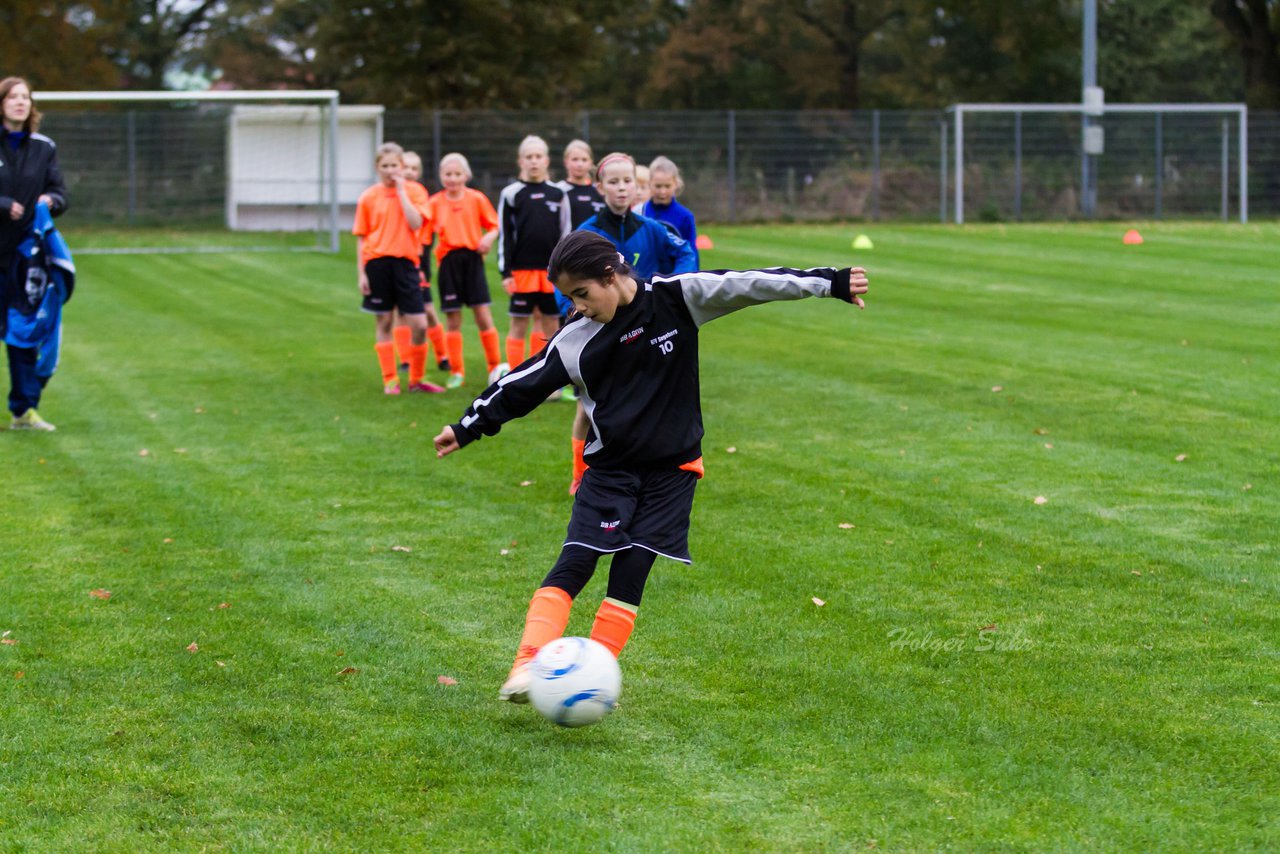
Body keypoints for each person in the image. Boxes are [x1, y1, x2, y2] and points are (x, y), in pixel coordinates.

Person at [433, 230, 869, 703]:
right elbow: (521, 384)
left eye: (581, 294)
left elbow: (751, 283)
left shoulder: (678, 298)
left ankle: (589, 678)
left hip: (673, 472)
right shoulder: (576, 340)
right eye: (570, 298)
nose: (578, 307)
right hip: (610, 471)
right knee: (576, 562)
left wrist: (830, 282)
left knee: (631, 572)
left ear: (609, 275)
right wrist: (467, 426)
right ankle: (524, 667)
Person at [569, 152, 697, 493]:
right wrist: (573, 309)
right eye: (614, 182)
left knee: (644, 397)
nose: (622, 188)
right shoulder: (588, 233)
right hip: (602, 331)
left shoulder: (653, 229)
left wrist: (669, 289)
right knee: (590, 406)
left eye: (628, 181)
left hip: (645, 329)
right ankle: (580, 473)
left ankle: (644, 466)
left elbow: (686, 253)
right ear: (600, 188)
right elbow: (566, 279)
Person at [0, 77, 68, 431]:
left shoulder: (44, 147)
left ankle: (23, 411)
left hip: (25, 260)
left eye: (25, 97)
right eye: (12, 97)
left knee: (23, 333)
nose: (20, 102)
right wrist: (2, 205)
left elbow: (60, 192)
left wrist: (51, 201)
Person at [352, 142, 443, 395]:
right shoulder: (369, 196)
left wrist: (402, 190)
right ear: (377, 168)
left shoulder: (415, 191)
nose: (390, 170)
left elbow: (416, 223)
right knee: (384, 322)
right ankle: (390, 380)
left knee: (420, 323)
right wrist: (361, 273)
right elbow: (362, 237)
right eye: (385, 166)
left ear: (402, 166)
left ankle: (416, 380)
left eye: (394, 165)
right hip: (377, 264)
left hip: (406, 264)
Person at [428, 152, 503, 389]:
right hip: (448, 263)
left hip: (472, 261)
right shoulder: (435, 202)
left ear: (466, 175)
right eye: (448, 174)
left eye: (457, 174)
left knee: (482, 315)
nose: (452, 178)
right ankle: (457, 371)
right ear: (441, 176)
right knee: (453, 318)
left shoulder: (476, 198)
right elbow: (421, 231)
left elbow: (494, 225)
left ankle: (494, 367)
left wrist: (488, 239)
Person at [497, 135, 571, 375]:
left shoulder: (558, 193)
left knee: (551, 322)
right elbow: (505, 235)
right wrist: (506, 271)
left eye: (538, 156)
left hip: (551, 273)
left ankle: (544, 375)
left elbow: (566, 232)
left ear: (547, 160)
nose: (534, 161)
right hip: (521, 272)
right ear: (521, 161)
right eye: (529, 157)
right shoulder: (511, 193)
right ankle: (515, 375)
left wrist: (564, 268)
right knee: (519, 322)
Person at [392, 151, 449, 374]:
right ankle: (405, 359)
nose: (409, 172)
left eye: (415, 169)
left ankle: (442, 354)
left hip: (419, 257)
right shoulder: (394, 193)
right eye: (406, 167)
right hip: (401, 257)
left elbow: (424, 226)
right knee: (400, 313)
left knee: (427, 309)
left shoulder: (418, 193)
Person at [644, 156, 700, 269]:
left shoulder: (685, 216)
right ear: (649, 183)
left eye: (667, 186)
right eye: (658, 186)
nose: (662, 191)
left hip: (674, 276)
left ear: (676, 184)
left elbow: (692, 251)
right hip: (647, 276)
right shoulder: (641, 211)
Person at [554, 139, 605, 229]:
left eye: (584, 160)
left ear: (591, 162)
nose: (579, 164)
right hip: (567, 242)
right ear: (566, 162)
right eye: (575, 159)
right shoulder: (558, 190)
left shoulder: (599, 191)